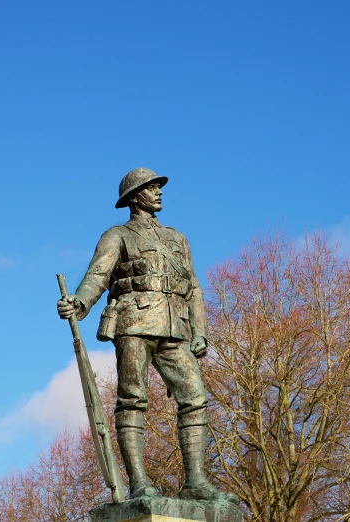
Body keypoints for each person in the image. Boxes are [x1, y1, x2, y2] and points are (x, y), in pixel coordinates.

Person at [57, 167, 239, 504]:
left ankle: (195, 482)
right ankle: (140, 484)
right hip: (134, 322)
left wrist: (201, 331)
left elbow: (194, 289)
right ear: (134, 196)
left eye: (159, 187)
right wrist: (79, 303)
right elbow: (98, 275)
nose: (159, 192)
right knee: (132, 400)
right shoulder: (118, 235)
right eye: (151, 188)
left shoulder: (177, 238)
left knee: (194, 396)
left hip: (175, 327)